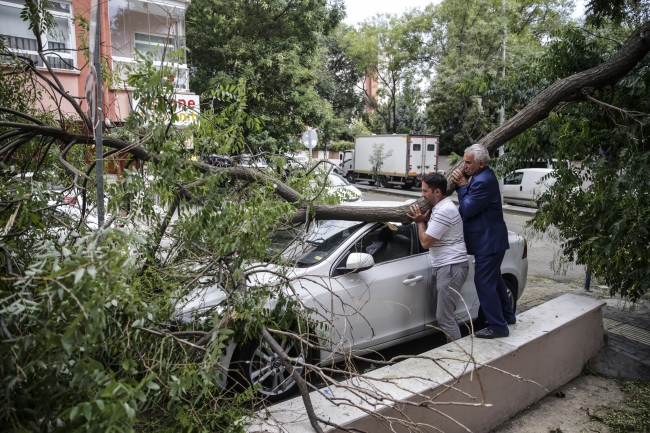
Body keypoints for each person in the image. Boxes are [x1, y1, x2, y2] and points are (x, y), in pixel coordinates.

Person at [451, 143, 516, 339]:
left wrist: (462, 186)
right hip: (491, 240)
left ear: (481, 163)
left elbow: (468, 208)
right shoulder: (481, 176)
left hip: (488, 242)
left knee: (483, 282)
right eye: (464, 161)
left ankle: (498, 326)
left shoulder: (482, 180)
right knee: (494, 279)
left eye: (468, 162)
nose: (464, 166)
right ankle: (507, 315)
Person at [408, 173, 469, 342]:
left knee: (445, 318)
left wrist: (420, 222)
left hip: (450, 267)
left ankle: (458, 356)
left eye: (424, 191)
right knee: (444, 314)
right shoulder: (440, 208)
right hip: (445, 266)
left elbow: (426, 242)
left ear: (437, 192)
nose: (422, 195)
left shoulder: (444, 211)